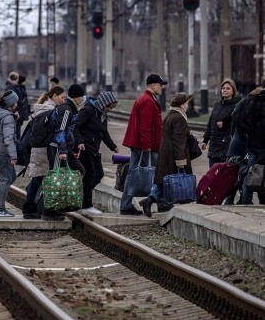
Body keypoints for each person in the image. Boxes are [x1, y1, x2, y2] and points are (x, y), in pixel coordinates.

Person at [119, 73, 167, 215]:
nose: (162, 88)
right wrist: (147, 146)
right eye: (160, 85)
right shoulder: (148, 101)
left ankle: (126, 205)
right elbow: (145, 126)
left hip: (140, 144)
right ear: (153, 85)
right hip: (144, 145)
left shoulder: (146, 99)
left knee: (133, 173)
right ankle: (161, 203)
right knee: (159, 172)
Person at [139, 93, 194, 216]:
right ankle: (152, 201)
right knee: (171, 181)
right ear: (181, 105)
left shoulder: (170, 115)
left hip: (166, 154)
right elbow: (178, 141)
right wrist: (181, 160)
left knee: (165, 181)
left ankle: (159, 203)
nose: (187, 106)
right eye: (186, 103)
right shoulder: (179, 118)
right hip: (173, 156)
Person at [21, 86, 66, 219]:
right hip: (44, 149)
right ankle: (33, 209)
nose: (63, 100)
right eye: (62, 97)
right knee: (39, 180)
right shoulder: (50, 111)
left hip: (38, 148)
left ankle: (32, 208)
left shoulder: (42, 109)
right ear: (54, 96)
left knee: (38, 179)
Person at [73, 91, 119, 216]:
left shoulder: (102, 114)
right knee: (90, 174)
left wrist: (113, 146)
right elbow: (76, 127)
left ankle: (81, 197)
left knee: (99, 174)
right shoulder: (88, 110)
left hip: (94, 149)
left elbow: (104, 132)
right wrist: (79, 142)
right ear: (103, 103)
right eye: (109, 107)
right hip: (85, 148)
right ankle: (86, 205)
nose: (109, 109)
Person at [202, 79, 240, 167]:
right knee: (212, 173)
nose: (225, 90)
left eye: (228, 88)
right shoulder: (217, 105)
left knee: (222, 173)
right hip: (213, 147)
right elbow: (210, 123)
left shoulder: (237, 105)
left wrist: (226, 124)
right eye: (223, 88)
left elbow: (237, 123)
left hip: (225, 147)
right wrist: (205, 140)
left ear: (233, 91)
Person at [5, 71, 28, 137]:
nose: (17, 81)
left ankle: (17, 142)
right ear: (14, 79)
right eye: (17, 79)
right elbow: (14, 99)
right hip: (15, 111)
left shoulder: (13, 87)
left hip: (16, 111)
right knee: (16, 132)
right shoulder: (10, 87)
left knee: (17, 131)